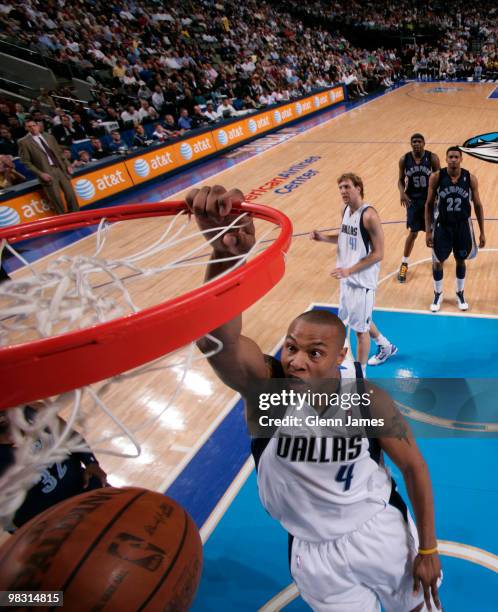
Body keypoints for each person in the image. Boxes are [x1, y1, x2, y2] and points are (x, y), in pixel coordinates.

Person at [188, 184, 442, 612]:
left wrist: (429, 548)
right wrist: (227, 257)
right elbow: (216, 342)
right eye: (290, 347)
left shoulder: (367, 399)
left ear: (340, 357)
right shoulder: (268, 393)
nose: (296, 361)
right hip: (315, 553)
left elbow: (414, 465)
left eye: (314, 352)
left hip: (379, 529)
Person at [311, 173, 397, 369]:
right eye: (340, 188)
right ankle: (385, 346)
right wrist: (323, 238)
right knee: (358, 320)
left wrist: (350, 270)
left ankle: (361, 377)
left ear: (358, 188)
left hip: (362, 282)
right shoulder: (345, 210)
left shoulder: (369, 216)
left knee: (360, 332)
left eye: (347, 187)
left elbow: (379, 253)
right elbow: (345, 237)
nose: (343, 191)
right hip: (347, 277)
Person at [0, 406, 108, 531]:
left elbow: (69, 434)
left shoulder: (35, 411)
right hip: (52, 523)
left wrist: (90, 462)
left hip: (87, 491)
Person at [425, 147, 485, 312]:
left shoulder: (470, 178)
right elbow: (429, 204)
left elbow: (478, 205)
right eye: (450, 157)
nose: (453, 159)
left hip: (462, 226)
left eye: (456, 157)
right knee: (438, 262)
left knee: (461, 259)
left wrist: (482, 231)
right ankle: (438, 294)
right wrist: (429, 231)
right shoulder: (437, 177)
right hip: (442, 226)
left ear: (461, 159)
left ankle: (460, 292)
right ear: (446, 159)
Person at [398, 134, 440, 282]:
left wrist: (437, 197)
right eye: (414, 142)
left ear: (424, 143)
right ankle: (404, 264)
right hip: (413, 202)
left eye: (419, 141)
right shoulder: (404, 159)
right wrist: (402, 192)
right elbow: (400, 180)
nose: (416, 144)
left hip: (429, 201)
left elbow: (439, 178)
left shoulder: (432, 158)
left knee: (433, 233)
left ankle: (436, 262)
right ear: (410, 144)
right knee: (413, 233)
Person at [18, 119, 79, 215]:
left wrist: (68, 165)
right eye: (29, 126)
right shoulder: (23, 142)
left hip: (60, 169)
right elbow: (26, 162)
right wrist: (40, 174)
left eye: (34, 125)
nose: (32, 128)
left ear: (38, 126)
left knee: (70, 194)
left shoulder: (49, 137)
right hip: (46, 172)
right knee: (56, 199)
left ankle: (76, 215)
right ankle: (62, 219)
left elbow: (59, 153)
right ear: (26, 128)